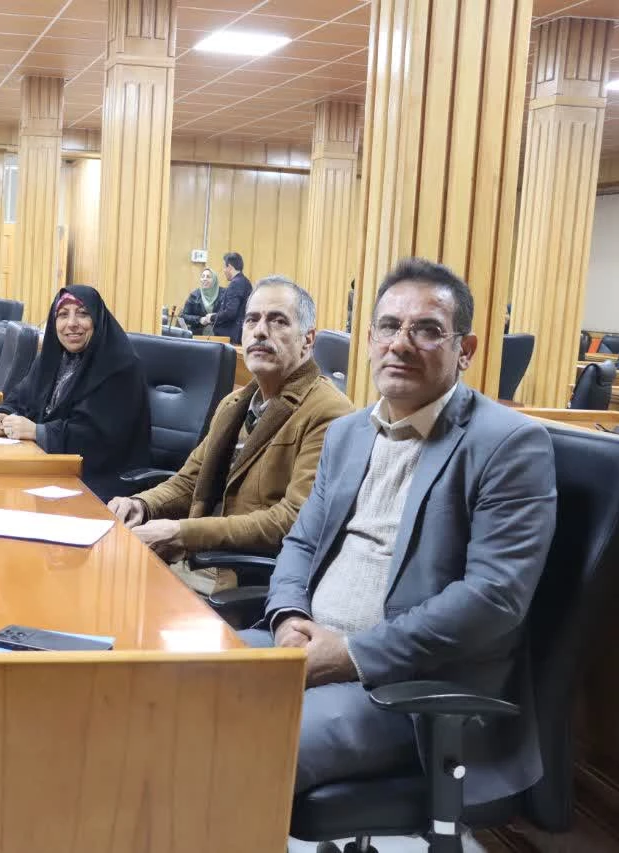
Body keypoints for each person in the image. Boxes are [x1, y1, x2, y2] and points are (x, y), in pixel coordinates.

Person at [242, 258, 555, 806]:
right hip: (304, 646)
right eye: (389, 326)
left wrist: (352, 654)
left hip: (408, 689)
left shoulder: (508, 445)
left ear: (465, 350)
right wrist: (288, 618)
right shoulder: (347, 434)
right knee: (161, 686)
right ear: (369, 340)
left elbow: (493, 598)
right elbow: (301, 543)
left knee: (237, 747)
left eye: (427, 330)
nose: (401, 344)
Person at [109, 277, 353, 594]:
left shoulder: (329, 412)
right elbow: (189, 481)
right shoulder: (234, 403)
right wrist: (142, 504)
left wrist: (182, 533)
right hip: (193, 564)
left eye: (278, 321)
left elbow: (292, 520)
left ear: (307, 340)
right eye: (252, 319)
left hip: (241, 579)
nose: (260, 331)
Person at [0, 285, 150, 502]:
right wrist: (1, 416)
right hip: (49, 469)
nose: (72, 323)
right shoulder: (52, 360)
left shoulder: (121, 367)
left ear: (98, 319)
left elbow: (99, 439)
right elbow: (20, 399)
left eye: (83, 313)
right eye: (63, 315)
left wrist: (38, 431)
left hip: (100, 483)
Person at [207, 252, 252, 343]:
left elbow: (230, 312)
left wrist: (212, 317)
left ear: (230, 267)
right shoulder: (246, 282)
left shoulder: (235, 284)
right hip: (239, 333)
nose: (223, 270)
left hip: (232, 336)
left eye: (224, 267)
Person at [180, 268, 221, 333]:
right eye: (202, 276)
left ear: (214, 280)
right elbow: (184, 316)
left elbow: (228, 313)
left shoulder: (223, 294)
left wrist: (215, 317)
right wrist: (199, 319)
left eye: (208, 277)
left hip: (220, 333)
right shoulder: (194, 295)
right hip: (198, 333)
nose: (204, 279)